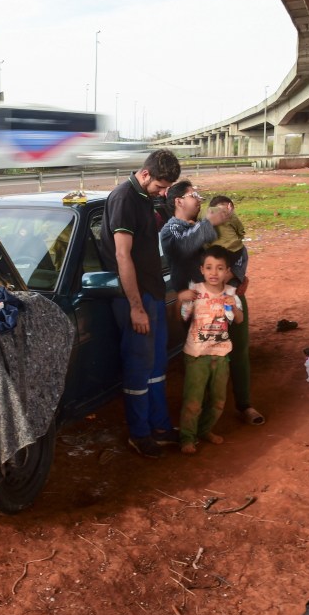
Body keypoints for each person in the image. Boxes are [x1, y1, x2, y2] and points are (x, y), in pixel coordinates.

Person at [98, 149, 182, 458]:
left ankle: (160, 426)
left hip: (154, 293)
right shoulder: (124, 199)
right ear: (145, 174)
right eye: (160, 186)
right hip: (137, 298)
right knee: (138, 367)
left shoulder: (146, 198)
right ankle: (140, 433)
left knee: (156, 365)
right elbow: (123, 256)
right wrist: (136, 306)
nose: (163, 193)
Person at [160, 180, 265, 426]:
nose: (199, 199)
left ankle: (244, 404)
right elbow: (184, 248)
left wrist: (238, 276)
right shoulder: (171, 231)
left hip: (230, 297)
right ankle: (201, 418)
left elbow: (239, 250)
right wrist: (210, 223)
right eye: (193, 195)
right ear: (178, 201)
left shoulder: (205, 228)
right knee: (202, 359)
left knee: (238, 351)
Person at [175, 246, 242, 454]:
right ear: (202, 269)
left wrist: (234, 306)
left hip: (221, 355)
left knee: (218, 401)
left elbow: (239, 320)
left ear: (227, 271)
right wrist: (180, 299)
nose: (214, 273)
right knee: (193, 401)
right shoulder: (195, 292)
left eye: (220, 268)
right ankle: (187, 437)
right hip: (196, 354)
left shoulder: (231, 293)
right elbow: (182, 317)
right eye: (209, 267)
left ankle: (204, 430)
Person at [205, 195, 248, 284]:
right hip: (230, 253)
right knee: (242, 251)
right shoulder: (231, 215)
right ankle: (234, 277)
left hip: (211, 254)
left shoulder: (204, 216)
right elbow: (240, 231)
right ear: (230, 206)